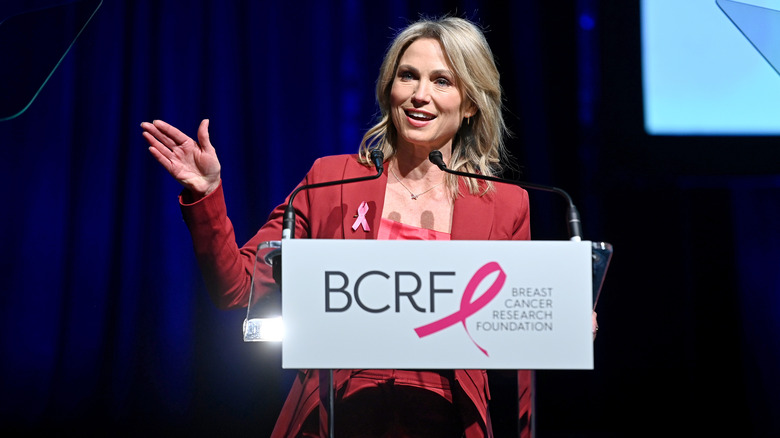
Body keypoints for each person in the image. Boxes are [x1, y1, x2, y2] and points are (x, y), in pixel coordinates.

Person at [141, 16, 597, 438]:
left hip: (450, 419)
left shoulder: (505, 205)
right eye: (408, 76)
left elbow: (516, 343)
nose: (420, 94)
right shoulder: (329, 180)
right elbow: (236, 290)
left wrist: (563, 321)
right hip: (337, 414)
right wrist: (207, 194)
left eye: (442, 81)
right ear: (389, 88)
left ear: (472, 104)